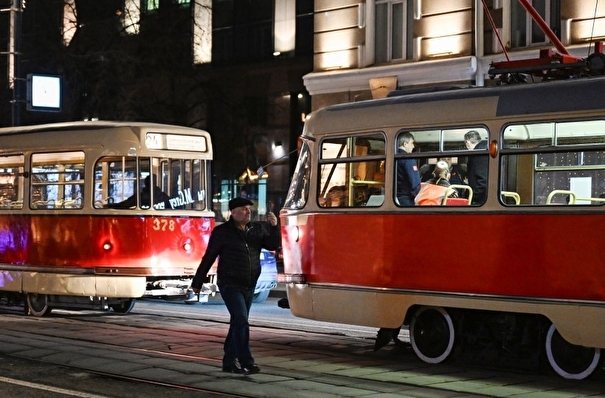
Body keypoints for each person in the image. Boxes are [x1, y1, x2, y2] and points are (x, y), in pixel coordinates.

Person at [191, 197, 280, 375]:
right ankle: (246, 362)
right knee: (241, 321)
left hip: (249, 283)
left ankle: (229, 362)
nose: (248, 211)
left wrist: (275, 227)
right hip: (230, 283)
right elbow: (209, 257)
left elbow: (272, 245)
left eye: (249, 208)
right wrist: (198, 282)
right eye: (244, 208)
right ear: (232, 212)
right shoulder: (222, 232)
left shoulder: (255, 229)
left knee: (237, 323)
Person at [396, 132, 421, 206]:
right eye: (412, 143)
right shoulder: (409, 159)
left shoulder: (391, 158)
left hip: (395, 197)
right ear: (405, 144)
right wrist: (418, 196)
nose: (413, 146)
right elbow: (414, 182)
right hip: (406, 199)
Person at [464, 130, 488, 204]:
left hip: (481, 200)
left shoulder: (478, 154)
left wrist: (473, 197)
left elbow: (483, 180)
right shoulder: (485, 150)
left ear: (467, 143)